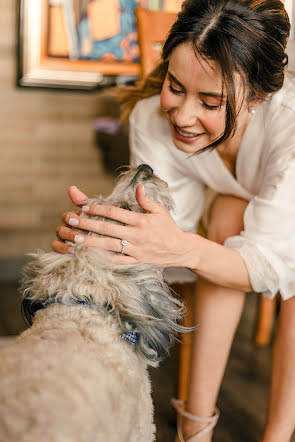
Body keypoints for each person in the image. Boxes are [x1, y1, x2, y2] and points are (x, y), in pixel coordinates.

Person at [53, 0, 295, 440]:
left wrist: (179, 245)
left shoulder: (289, 126)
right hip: (242, 204)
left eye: (211, 101)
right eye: (175, 86)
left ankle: (278, 434)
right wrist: (106, 243)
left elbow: (268, 266)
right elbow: (168, 250)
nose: (182, 116)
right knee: (225, 219)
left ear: (258, 97)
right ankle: (195, 426)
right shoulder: (151, 117)